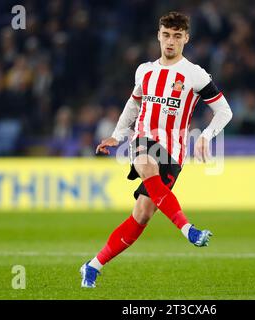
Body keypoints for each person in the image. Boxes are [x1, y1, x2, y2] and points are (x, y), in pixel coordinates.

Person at [80, 12, 233, 288]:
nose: (170, 41)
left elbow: (224, 111)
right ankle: (189, 230)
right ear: (158, 36)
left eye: (176, 36)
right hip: (143, 139)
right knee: (147, 163)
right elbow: (133, 104)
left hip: (174, 152)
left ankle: (93, 265)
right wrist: (117, 136)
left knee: (142, 215)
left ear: (186, 38)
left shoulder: (195, 74)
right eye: (165, 35)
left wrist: (207, 136)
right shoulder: (145, 70)